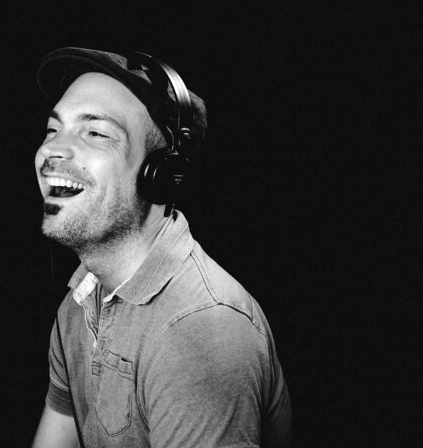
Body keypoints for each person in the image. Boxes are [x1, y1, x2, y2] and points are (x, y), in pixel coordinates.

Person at [31, 47, 291, 448]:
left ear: (161, 174)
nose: (53, 150)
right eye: (52, 130)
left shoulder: (199, 331)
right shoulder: (80, 303)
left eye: (96, 133)